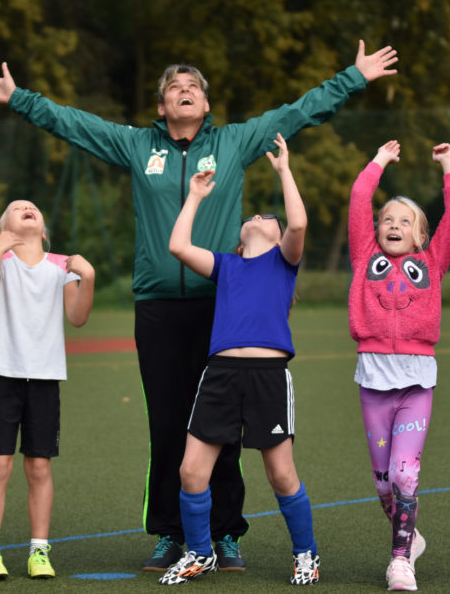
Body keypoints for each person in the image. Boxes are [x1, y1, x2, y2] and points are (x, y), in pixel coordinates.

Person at [0, 41, 399, 570]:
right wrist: (20, 99)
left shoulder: (233, 143)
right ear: (161, 106)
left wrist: (353, 78)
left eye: (193, 87)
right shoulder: (136, 146)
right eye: (174, 87)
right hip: (156, 306)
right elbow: (75, 124)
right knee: (168, 423)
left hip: (217, 307)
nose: (184, 91)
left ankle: (225, 533)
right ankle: (171, 533)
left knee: (221, 427)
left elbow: (300, 111)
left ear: (206, 105)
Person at [158, 133, 316, 586]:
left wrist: (285, 170)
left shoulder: (284, 262)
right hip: (220, 375)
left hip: (267, 375)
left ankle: (306, 554)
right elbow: (178, 246)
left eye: (268, 215)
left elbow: (300, 225)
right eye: (253, 216)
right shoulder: (228, 265)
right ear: (241, 240)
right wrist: (194, 196)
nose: (259, 216)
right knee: (191, 470)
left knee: (281, 473)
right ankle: (200, 553)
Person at [347, 139, 450, 591]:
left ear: (421, 236)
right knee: (382, 484)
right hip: (373, 378)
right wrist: (378, 162)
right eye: (387, 220)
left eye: (405, 221)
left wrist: (449, 166)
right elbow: (360, 201)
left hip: (416, 380)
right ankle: (409, 535)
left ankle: (400, 561)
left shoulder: (432, 262)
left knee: (403, 474)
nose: (393, 225)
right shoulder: (364, 257)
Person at [0, 200, 95, 581]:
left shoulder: (62, 266)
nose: (26, 207)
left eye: (33, 207)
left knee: (40, 466)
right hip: (0, 374)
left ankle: (39, 551)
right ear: (3, 228)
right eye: (15, 207)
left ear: (43, 231)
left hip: (44, 378)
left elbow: (77, 318)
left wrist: (87, 278)